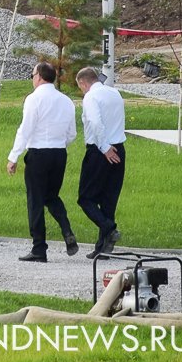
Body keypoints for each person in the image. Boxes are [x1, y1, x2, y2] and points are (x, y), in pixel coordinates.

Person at [6, 62, 79, 262]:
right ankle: (66, 229)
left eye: (32, 75)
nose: (32, 78)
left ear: (39, 76)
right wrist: (58, 143)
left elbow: (25, 128)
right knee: (52, 196)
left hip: (39, 153)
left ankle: (39, 248)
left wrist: (14, 156)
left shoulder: (34, 99)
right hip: (59, 153)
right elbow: (72, 133)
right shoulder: (66, 101)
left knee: (36, 200)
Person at [75, 67, 126, 260]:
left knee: (86, 198)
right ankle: (102, 247)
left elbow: (95, 123)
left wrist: (104, 147)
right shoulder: (114, 92)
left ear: (83, 82)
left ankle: (109, 229)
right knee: (108, 199)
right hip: (119, 148)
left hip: (99, 150)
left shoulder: (90, 97)